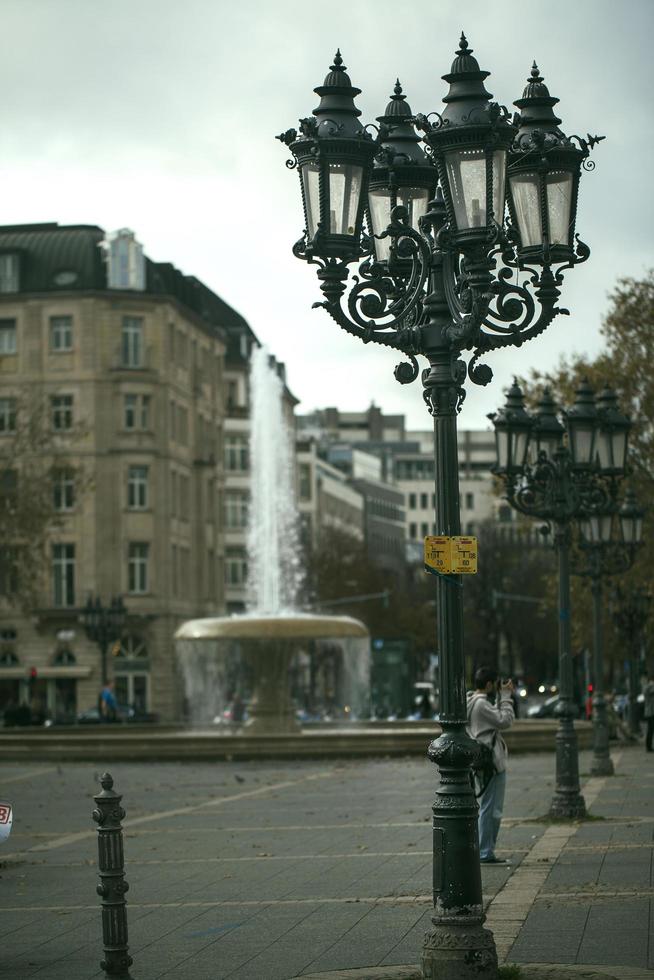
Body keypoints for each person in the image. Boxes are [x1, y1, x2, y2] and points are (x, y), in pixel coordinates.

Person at [467, 666, 515, 865]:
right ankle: (486, 852)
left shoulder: (470, 701)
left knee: (487, 806)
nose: (497, 687)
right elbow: (505, 720)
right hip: (492, 763)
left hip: (481, 761)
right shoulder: (481, 705)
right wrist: (505, 696)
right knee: (491, 808)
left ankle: (485, 849)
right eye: (495, 684)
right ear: (488, 685)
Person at [643, 672, 654, 753]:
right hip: (651, 712)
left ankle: (648, 746)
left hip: (650, 711)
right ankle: (648, 746)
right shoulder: (650, 686)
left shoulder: (648, 686)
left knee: (650, 729)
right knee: (650, 729)